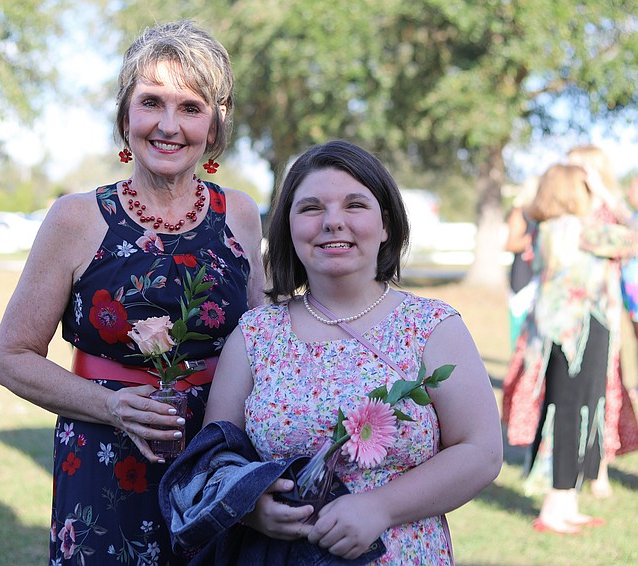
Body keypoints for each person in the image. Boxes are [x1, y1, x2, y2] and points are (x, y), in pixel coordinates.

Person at [0, 20, 265, 565]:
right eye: (151, 103)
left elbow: (262, 344)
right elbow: (12, 357)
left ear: (215, 126)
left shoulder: (240, 213)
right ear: (124, 117)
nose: (169, 125)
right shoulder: (75, 218)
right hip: (102, 466)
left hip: (216, 465)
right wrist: (113, 406)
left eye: (191, 107)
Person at [200, 140, 502, 563]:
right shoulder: (255, 336)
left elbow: (481, 452)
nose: (332, 222)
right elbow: (214, 455)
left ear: (386, 226)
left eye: (355, 205)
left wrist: (381, 507)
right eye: (310, 208)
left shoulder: (431, 327)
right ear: (287, 226)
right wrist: (250, 507)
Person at [502, 164, 638, 533]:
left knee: (571, 411)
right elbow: (634, 237)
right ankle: (554, 506)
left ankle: (566, 502)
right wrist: (611, 197)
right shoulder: (578, 229)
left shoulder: (549, 226)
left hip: (558, 330)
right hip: (576, 332)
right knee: (571, 413)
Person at [565, 144, 638, 498]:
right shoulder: (571, 211)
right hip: (572, 310)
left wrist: (604, 193)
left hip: (605, 309)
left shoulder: (608, 207)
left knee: (606, 387)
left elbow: (632, 233)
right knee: (575, 389)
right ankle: (574, 465)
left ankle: (600, 467)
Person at [504, 180, 539, 349]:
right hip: (523, 275)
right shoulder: (519, 213)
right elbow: (510, 244)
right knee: (520, 326)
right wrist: (534, 237)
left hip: (539, 273)